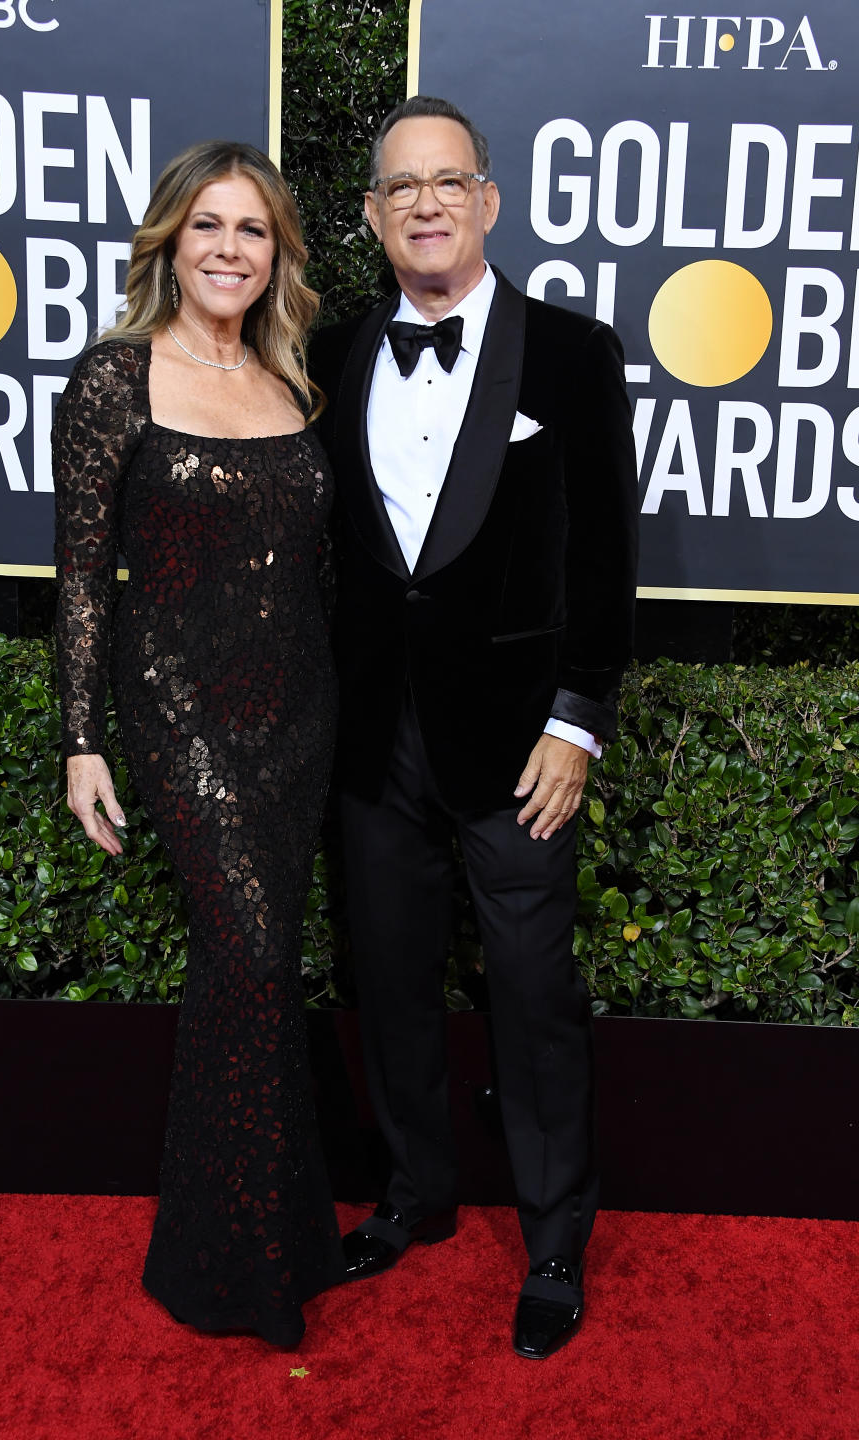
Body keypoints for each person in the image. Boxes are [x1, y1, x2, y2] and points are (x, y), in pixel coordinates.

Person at [311, 96, 638, 1359]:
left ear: (490, 202)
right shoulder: (334, 352)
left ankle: (554, 1239)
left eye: (451, 183)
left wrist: (580, 718)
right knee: (387, 979)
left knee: (533, 994)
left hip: (518, 749)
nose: (428, 204)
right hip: (372, 736)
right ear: (377, 215)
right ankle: (414, 1195)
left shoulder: (571, 353)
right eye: (403, 188)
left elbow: (607, 554)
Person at [53, 140, 344, 1348]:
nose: (231, 249)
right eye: (209, 226)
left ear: (277, 254)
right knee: (258, 963)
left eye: (254, 230)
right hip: (183, 718)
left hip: (301, 719)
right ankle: (232, 1263)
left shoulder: (294, 382)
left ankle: (264, 1230)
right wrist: (82, 738)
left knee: (250, 976)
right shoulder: (116, 379)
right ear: (171, 241)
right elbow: (81, 579)